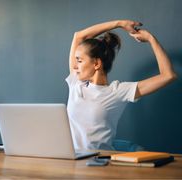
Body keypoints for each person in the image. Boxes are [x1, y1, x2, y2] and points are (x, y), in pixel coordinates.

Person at [66, 20, 177, 150]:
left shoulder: (118, 91)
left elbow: (168, 75)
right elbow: (79, 36)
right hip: (72, 161)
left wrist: (151, 39)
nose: (74, 66)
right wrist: (119, 23)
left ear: (96, 64)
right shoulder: (76, 83)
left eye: (79, 60)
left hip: (100, 162)